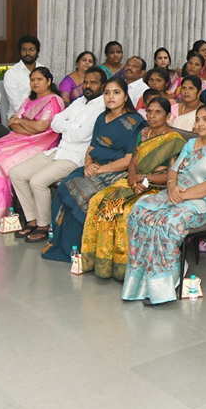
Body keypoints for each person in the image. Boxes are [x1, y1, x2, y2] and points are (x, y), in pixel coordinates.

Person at [119, 104, 206, 304]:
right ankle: (140, 281)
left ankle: (164, 285)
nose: (200, 123)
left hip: (205, 202)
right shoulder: (191, 144)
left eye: (205, 119)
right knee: (140, 210)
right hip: (177, 193)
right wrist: (172, 187)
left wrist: (182, 196)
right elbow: (173, 170)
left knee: (167, 222)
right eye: (198, 119)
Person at [77, 95, 185, 279]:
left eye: (158, 112)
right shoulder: (143, 134)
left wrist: (142, 178)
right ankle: (102, 264)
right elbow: (133, 160)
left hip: (157, 186)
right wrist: (133, 179)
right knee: (98, 201)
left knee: (124, 210)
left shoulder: (174, 140)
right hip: (133, 181)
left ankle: (124, 268)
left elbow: (171, 174)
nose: (152, 116)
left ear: (167, 116)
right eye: (149, 111)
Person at [41, 77, 143, 261]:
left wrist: (101, 169)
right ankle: (64, 246)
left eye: (116, 92)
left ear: (126, 96)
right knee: (65, 188)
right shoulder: (101, 118)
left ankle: (83, 250)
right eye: (107, 93)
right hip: (94, 167)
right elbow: (91, 148)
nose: (111, 97)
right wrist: (88, 164)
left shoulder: (135, 122)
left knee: (84, 195)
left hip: (116, 171)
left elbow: (129, 160)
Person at [8, 66, 107, 243]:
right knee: (16, 173)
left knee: (37, 181)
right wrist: (72, 127)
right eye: (85, 82)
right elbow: (55, 123)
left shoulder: (102, 107)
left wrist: (68, 127)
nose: (88, 86)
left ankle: (44, 225)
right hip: (59, 150)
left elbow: (81, 135)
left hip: (76, 157)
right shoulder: (79, 101)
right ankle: (32, 220)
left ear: (103, 85)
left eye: (93, 82)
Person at [0, 67, 66, 225]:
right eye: (32, 80)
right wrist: (26, 126)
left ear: (49, 81)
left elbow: (40, 128)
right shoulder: (29, 99)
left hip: (42, 142)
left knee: (1, 161)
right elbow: (12, 123)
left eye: (39, 79)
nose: (35, 83)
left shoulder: (53, 100)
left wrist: (23, 123)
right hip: (20, 138)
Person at [3, 35, 43, 113]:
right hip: (19, 115)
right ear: (20, 52)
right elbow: (16, 104)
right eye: (24, 50)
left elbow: (49, 96)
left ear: (37, 51)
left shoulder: (44, 71)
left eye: (31, 49)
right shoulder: (11, 74)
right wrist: (32, 115)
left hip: (43, 114)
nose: (27, 53)